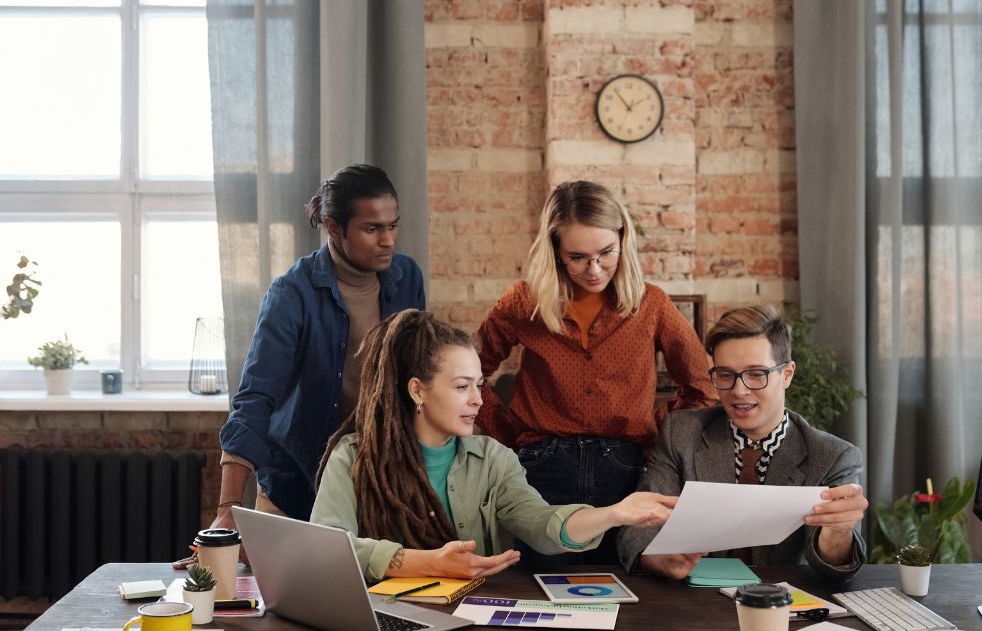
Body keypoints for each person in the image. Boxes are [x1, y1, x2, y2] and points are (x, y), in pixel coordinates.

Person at [175, 165, 424, 569]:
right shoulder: (292, 292)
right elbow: (255, 398)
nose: (388, 240)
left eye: (393, 226)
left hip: (379, 488)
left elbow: (417, 379)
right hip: (296, 486)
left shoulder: (407, 277)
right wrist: (227, 510)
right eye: (372, 228)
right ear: (333, 227)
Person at [311, 310, 677, 581]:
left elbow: (542, 524)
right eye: (461, 386)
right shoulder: (354, 456)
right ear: (417, 389)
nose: (478, 400)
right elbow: (327, 549)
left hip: (471, 614)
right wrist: (426, 562)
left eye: (479, 384)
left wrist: (615, 513)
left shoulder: (493, 459)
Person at [474, 180, 717, 566]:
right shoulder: (523, 303)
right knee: (543, 591)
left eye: (606, 253)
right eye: (578, 257)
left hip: (624, 469)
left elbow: (703, 388)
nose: (594, 269)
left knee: (624, 591)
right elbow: (471, 375)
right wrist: (509, 435)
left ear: (624, 239)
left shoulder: (651, 304)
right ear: (555, 250)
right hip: (541, 469)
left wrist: (652, 427)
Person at [617, 305, 870, 581]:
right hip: (694, 604)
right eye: (725, 375)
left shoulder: (833, 456)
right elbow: (636, 530)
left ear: (786, 374)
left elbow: (834, 568)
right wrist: (659, 559)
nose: (739, 391)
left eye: (756, 374)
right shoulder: (681, 433)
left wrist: (839, 530)